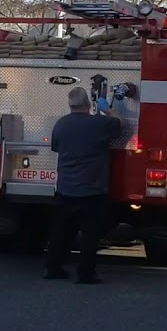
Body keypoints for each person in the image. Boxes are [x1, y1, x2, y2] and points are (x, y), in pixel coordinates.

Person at [45, 86, 121, 284]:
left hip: (65, 188)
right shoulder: (99, 124)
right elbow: (118, 123)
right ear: (88, 104)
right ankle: (86, 273)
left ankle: (53, 268)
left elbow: (55, 147)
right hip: (91, 189)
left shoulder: (61, 124)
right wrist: (106, 107)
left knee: (60, 232)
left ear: (70, 105)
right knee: (90, 234)